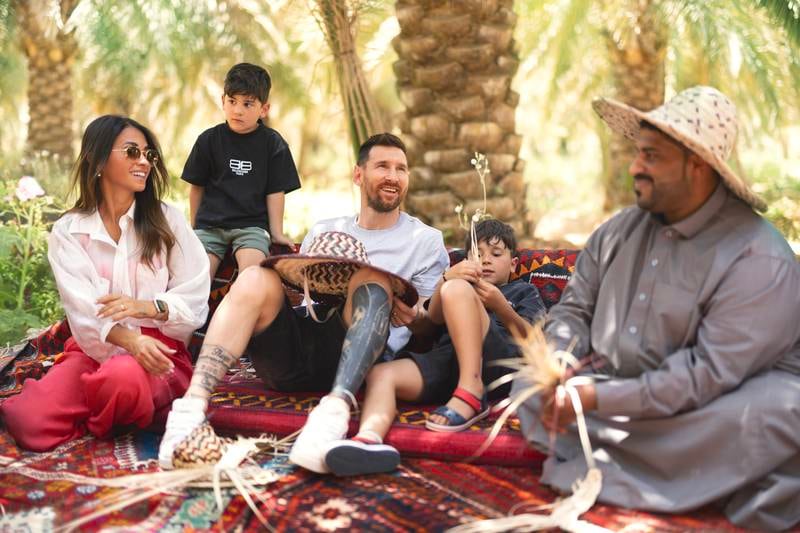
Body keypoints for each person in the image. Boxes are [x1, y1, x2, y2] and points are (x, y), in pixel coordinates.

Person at [511, 86, 800, 531]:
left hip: (707, 408)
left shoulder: (757, 257)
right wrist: (559, 364)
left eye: (652, 156)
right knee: (527, 390)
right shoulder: (615, 232)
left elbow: (706, 374)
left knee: (780, 410)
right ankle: (659, 467)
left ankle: (620, 457)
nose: (634, 167)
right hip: (613, 393)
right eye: (637, 153)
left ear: (698, 166)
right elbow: (573, 312)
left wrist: (594, 398)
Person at [158, 133, 450, 473]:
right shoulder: (326, 229)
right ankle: (189, 411)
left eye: (401, 168)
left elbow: (431, 327)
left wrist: (412, 316)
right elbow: (298, 298)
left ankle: (330, 420)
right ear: (358, 175)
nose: (393, 176)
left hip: (360, 360)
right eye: (382, 166)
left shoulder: (426, 241)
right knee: (255, 276)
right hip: (293, 354)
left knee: (374, 280)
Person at [0, 115, 210, 452]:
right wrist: (127, 339)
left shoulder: (167, 220)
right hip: (93, 351)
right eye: (131, 151)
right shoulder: (69, 231)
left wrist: (149, 308)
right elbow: (82, 310)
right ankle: (120, 413)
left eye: (148, 154)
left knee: (122, 378)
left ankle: (105, 412)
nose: (143, 161)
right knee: (28, 422)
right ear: (98, 159)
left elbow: (196, 294)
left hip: (158, 353)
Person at [324, 219, 545, 476]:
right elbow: (434, 319)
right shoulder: (456, 285)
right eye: (477, 254)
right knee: (381, 374)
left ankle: (471, 391)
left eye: (496, 254)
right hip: (448, 362)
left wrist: (501, 306)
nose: (485, 261)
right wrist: (445, 281)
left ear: (514, 264)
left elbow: (536, 343)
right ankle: (368, 439)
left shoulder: (522, 291)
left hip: (496, 363)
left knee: (458, 289)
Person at [182, 62, 301, 282]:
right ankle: (193, 316)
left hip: (252, 227)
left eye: (248, 104)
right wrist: (194, 227)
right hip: (210, 226)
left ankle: (238, 313)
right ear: (223, 101)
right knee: (196, 279)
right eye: (232, 101)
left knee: (251, 277)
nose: (238, 110)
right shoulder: (208, 140)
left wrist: (276, 232)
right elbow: (196, 186)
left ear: (264, 109)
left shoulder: (273, 144)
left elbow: (275, 192)